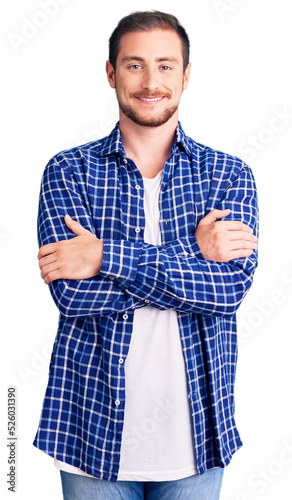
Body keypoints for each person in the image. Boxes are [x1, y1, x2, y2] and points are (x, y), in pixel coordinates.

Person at [34, 10, 258, 500]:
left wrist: (102, 257)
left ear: (186, 74)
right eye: (134, 65)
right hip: (89, 434)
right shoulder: (68, 172)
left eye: (164, 65)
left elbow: (226, 291)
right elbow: (73, 296)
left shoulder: (228, 175)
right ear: (111, 73)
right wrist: (192, 254)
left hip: (198, 436)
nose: (151, 81)